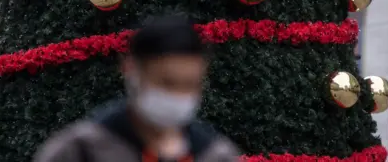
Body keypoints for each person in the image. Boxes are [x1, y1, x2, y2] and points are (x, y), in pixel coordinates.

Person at [33, 16, 239, 162]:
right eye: (166, 82)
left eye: (190, 85)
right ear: (131, 69)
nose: (178, 96)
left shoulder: (216, 154)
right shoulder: (80, 151)